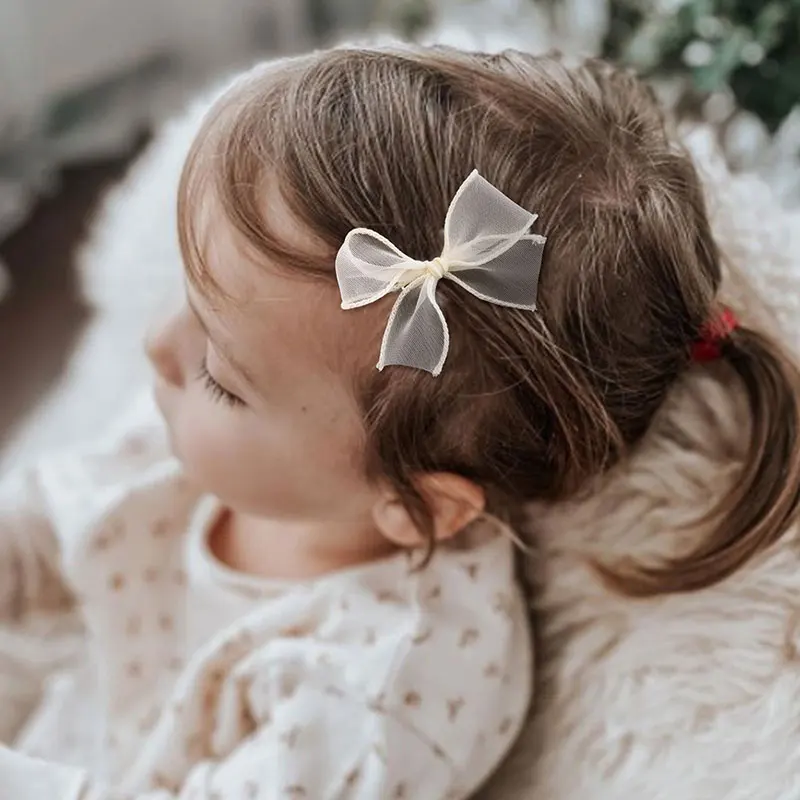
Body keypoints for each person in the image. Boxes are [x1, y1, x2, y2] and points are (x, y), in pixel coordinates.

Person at [1, 43, 799, 799]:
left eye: (220, 373)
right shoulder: (211, 433)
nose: (155, 347)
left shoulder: (381, 694)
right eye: (192, 301)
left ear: (418, 505)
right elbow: (60, 516)